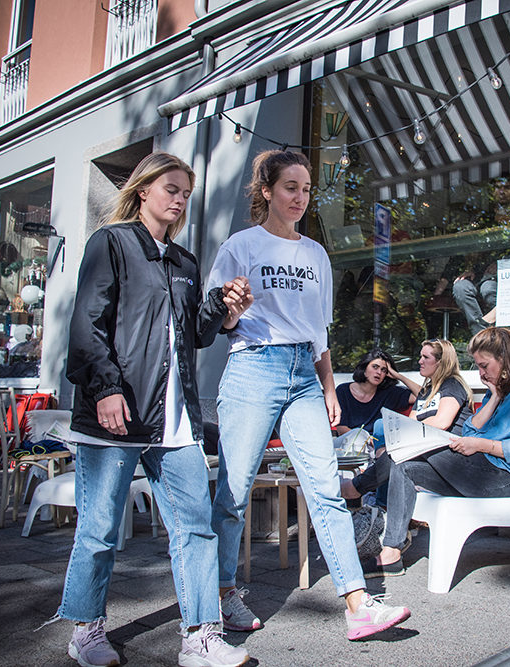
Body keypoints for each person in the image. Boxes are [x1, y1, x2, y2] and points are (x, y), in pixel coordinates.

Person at [205, 149, 412, 642]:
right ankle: (221, 593)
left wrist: (328, 386)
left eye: (306, 189)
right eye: (290, 187)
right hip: (254, 366)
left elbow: (319, 331)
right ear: (267, 191)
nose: (300, 197)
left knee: (325, 488)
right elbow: (216, 320)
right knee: (233, 491)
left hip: (303, 374)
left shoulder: (316, 254)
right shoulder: (240, 246)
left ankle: (358, 604)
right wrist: (233, 310)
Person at [59, 152, 249, 667]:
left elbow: (196, 335)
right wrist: (105, 390)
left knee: (196, 528)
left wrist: (224, 310)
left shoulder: (185, 262)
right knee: (99, 530)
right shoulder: (112, 243)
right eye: (171, 189)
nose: (180, 199)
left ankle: (201, 636)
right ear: (143, 190)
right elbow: (88, 323)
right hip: (116, 414)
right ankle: (86, 630)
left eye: (186, 193)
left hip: (175, 422)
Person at [366, 327, 510, 579]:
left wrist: (481, 445)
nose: (481, 373)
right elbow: (470, 429)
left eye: (484, 366)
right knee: (405, 466)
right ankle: (391, 552)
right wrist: (494, 398)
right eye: (478, 367)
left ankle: (357, 488)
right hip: (478, 473)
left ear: (504, 358)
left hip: (506, 480)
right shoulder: (498, 389)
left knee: (420, 444)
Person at [341, 339, 473, 520]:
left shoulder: (452, 384)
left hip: (451, 456)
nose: (420, 361)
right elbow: (410, 422)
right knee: (392, 449)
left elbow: (442, 422)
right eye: (420, 356)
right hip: (426, 452)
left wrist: (398, 376)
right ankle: (381, 509)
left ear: (441, 362)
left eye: (425, 357)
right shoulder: (427, 392)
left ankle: (358, 490)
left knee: (395, 456)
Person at [335, 349, 414, 437]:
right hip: (349, 441)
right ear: (364, 368)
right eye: (375, 367)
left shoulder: (389, 392)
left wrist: (398, 376)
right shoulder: (343, 391)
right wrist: (367, 440)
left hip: (378, 442)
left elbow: (422, 396)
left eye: (383, 370)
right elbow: (342, 429)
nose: (379, 372)